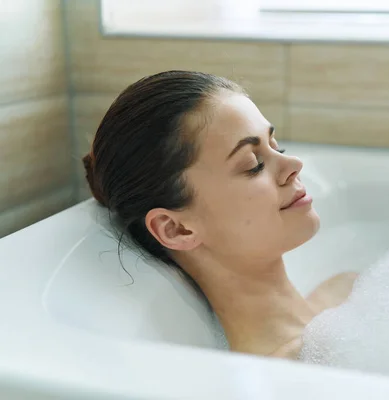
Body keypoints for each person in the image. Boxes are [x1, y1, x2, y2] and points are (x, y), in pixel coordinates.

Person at [82, 70, 357, 358]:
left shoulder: (346, 293)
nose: (294, 164)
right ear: (177, 229)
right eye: (253, 164)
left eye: (277, 146)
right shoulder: (297, 371)